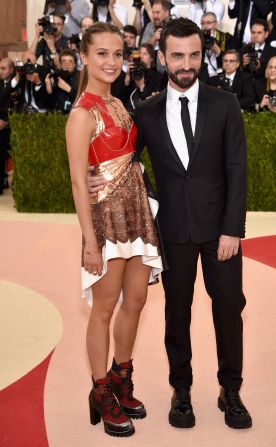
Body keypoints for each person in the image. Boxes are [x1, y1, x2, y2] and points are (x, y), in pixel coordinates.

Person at [88, 17, 252, 430]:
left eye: (194, 55)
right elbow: (126, 158)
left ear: (203, 55)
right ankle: (181, 389)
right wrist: (98, 174)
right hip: (173, 232)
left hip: (221, 233)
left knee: (229, 308)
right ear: (162, 58)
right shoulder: (145, 111)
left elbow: (237, 168)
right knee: (176, 313)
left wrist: (233, 228)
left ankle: (230, 390)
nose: (186, 63)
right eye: (177, 55)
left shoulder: (224, 103)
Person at [65, 22, 162, 437]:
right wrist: (90, 242)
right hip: (106, 221)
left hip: (137, 214)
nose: (110, 61)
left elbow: (126, 153)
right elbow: (76, 180)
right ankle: (100, 389)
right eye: (101, 53)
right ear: (85, 56)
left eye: (117, 54)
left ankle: (122, 377)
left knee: (137, 299)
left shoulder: (120, 103)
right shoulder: (82, 113)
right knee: (104, 308)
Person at [45, 49, 80, 113]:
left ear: (75, 64)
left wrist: (69, 89)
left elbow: (85, 100)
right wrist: (49, 91)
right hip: (59, 115)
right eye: (64, 61)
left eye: (70, 61)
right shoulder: (56, 76)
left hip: (76, 114)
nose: (67, 64)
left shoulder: (81, 78)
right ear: (60, 64)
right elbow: (49, 105)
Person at [0, 58, 15, 195]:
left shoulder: (17, 83)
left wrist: (5, 121)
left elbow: (15, 105)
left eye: (4, 68)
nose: (1, 71)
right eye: (0, 68)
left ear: (11, 69)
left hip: (13, 125)